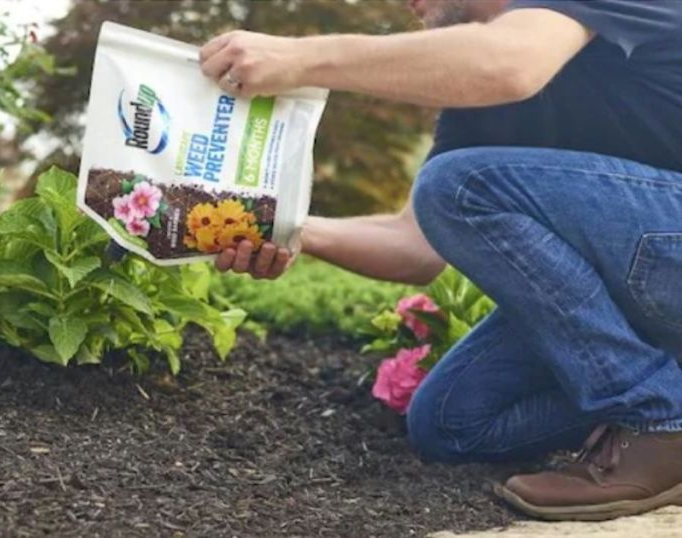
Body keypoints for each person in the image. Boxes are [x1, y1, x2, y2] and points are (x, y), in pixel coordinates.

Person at [199, 0, 682, 521]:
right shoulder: (477, 97)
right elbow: (415, 244)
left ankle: (659, 422)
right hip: (644, 280)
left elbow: (510, 64)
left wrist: (302, 57)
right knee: (452, 421)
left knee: (459, 185)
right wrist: (282, 226)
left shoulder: (516, 51)